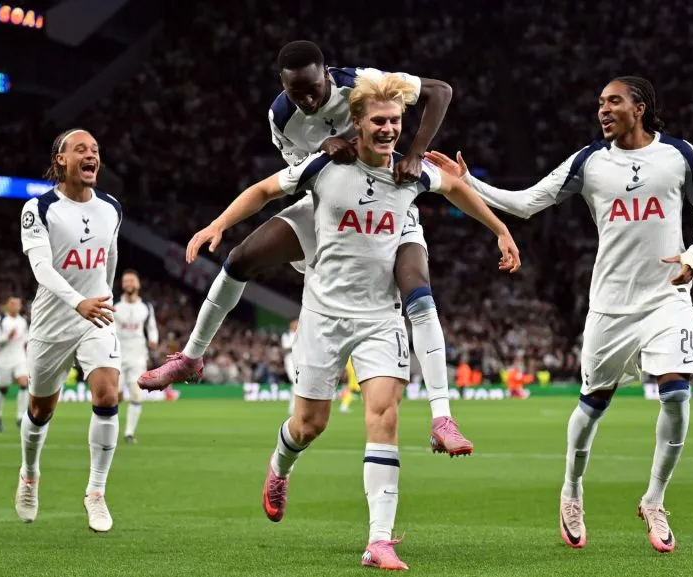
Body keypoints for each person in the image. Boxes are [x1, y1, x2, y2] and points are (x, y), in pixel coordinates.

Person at [185, 74, 520, 570]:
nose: (388, 130)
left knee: (384, 415)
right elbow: (261, 190)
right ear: (357, 125)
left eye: (395, 122)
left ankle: (378, 540)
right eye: (378, 122)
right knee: (308, 425)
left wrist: (500, 229)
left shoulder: (411, 172)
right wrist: (218, 225)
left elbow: (456, 188)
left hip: (379, 319)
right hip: (322, 316)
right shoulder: (323, 165)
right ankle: (280, 466)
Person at [425, 76, 693, 553]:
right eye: (600, 103)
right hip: (609, 306)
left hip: (667, 298)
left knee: (677, 394)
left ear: (640, 107)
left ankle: (654, 499)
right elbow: (525, 204)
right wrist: (467, 182)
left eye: (614, 101)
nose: (603, 110)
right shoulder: (589, 162)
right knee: (591, 405)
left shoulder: (681, 155)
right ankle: (571, 489)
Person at [140, 40, 474, 457]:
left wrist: (417, 152)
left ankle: (442, 415)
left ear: (327, 75)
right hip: (330, 206)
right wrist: (320, 150)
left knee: (416, 287)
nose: (308, 99)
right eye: (297, 93)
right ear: (283, 85)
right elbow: (294, 175)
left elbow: (439, 91)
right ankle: (191, 357)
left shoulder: (362, 81)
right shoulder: (280, 116)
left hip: (389, 201)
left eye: (314, 88)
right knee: (241, 258)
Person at [15, 129, 123, 533]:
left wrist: (102, 297)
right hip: (53, 320)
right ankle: (29, 474)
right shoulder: (39, 208)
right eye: (81, 149)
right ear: (61, 159)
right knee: (41, 409)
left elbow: (109, 257)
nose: (91, 154)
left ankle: (96, 492)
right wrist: (77, 299)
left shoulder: (111, 208)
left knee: (107, 392)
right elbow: (41, 267)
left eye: (95, 149)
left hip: (95, 315)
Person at [114, 269, 159, 443]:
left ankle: (129, 433)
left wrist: (153, 340)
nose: (129, 284)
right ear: (122, 285)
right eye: (126, 281)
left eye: (132, 280)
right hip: (116, 355)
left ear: (138, 284)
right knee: (115, 396)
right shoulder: (115, 305)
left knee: (136, 393)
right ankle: (112, 429)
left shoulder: (146, 307)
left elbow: (152, 327)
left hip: (138, 356)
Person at [0, 296, 29, 431]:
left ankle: (20, 417)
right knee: (3, 389)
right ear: (7, 305)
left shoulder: (23, 321)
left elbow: (26, 339)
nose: (15, 306)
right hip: (4, 359)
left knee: (24, 384)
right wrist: (7, 337)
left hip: (20, 357)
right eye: (12, 304)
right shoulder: (0, 320)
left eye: (18, 304)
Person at [281, 318, 298, 415]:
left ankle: (294, 409)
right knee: (296, 383)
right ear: (291, 324)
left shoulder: (301, 334)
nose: (297, 324)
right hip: (290, 362)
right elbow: (285, 348)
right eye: (295, 323)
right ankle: (293, 410)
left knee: (297, 384)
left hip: (300, 361)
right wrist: (296, 345)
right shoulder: (286, 335)